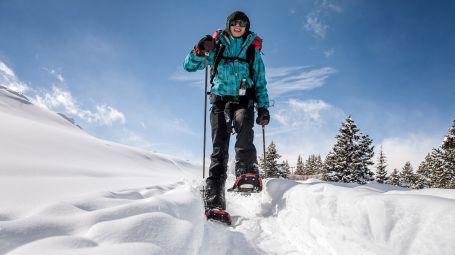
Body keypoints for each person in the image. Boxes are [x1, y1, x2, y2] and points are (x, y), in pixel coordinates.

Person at [183, 11, 270, 213]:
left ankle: (246, 171)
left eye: (243, 24)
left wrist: (263, 107)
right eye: (235, 23)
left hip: (243, 100)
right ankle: (214, 197)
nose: (238, 26)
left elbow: (260, 82)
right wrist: (198, 50)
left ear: (247, 27)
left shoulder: (252, 52)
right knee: (219, 149)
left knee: (244, 126)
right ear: (229, 25)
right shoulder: (216, 46)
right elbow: (188, 66)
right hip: (220, 102)